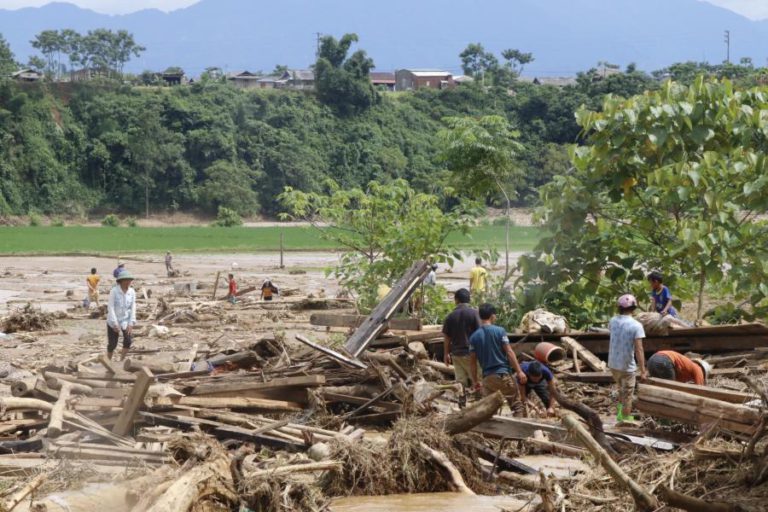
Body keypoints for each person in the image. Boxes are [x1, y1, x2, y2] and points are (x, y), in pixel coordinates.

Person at [468, 303, 527, 415]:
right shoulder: (500, 331)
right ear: (492, 316)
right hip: (503, 375)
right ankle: (521, 431)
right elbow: (509, 352)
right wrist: (519, 371)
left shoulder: (474, 337)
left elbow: (472, 363)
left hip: (488, 379)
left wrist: (475, 381)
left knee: (490, 410)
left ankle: (490, 432)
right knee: (516, 405)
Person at [608, 294, 648, 422]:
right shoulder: (636, 326)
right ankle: (625, 419)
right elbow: (639, 349)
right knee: (628, 394)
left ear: (619, 308)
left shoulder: (612, 321)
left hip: (613, 364)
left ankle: (620, 415)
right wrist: (642, 370)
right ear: (634, 308)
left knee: (621, 390)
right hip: (627, 366)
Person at [442, 289, 482, 389]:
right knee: (477, 381)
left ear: (456, 300)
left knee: (460, 383)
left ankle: (461, 402)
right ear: (469, 300)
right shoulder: (474, 314)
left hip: (456, 354)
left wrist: (446, 354)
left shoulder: (450, 316)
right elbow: (480, 333)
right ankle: (479, 402)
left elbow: (447, 337)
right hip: (471, 354)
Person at [106, 270, 136, 361]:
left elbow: (133, 307)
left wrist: (131, 323)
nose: (128, 282)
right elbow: (110, 307)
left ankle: (121, 360)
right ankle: (108, 361)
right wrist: (115, 323)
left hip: (126, 321)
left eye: (130, 280)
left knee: (128, 341)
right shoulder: (114, 291)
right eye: (126, 280)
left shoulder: (132, 292)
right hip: (113, 320)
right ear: (121, 281)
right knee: (112, 344)